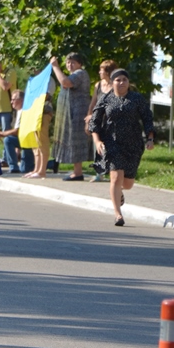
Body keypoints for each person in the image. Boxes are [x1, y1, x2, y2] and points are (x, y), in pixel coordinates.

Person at [89, 69, 154, 226]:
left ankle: (120, 193)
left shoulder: (136, 99)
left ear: (128, 82)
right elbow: (94, 122)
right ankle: (118, 214)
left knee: (128, 183)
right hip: (112, 142)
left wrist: (150, 138)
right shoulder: (105, 99)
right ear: (112, 82)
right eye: (118, 80)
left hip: (133, 144)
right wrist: (97, 141)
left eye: (124, 79)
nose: (121, 82)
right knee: (116, 177)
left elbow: (147, 118)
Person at [50, 52, 94, 180]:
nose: (69, 64)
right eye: (68, 62)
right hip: (73, 112)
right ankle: (77, 171)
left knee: (76, 141)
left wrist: (55, 67)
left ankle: (78, 172)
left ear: (80, 64)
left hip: (78, 112)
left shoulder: (80, 73)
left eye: (73, 62)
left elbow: (65, 82)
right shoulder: (76, 74)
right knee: (74, 140)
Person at [23, 67, 57, 179]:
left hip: (43, 111)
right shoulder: (34, 80)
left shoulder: (49, 80)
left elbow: (46, 95)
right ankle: (36, 169)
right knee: (35, 142)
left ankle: (42, 170)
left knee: (42, 140)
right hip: (33, 111)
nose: (35, 71)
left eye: (37, 68)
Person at [86, 59, 117, 182]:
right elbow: (93, 103)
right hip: (98, 119)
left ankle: (112, 171)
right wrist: (89, 117)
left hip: (110, 120)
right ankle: (100, 172)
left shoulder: (115, 85)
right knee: (98, 146)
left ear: (108, 72)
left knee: (110, 145)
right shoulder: (98, 85)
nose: (99, 72)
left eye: (102, 70)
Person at [0, 89, 34, 174]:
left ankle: (51, 164)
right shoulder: (18, 111)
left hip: (29, 142)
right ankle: (14, 167)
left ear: (21, 100)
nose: (11, 102)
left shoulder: (24, 111)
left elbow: (17, 131)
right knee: (9, 140)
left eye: (13, 99)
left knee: (26, 169)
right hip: (23, 141)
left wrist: (1, 134)